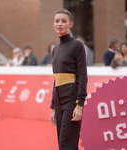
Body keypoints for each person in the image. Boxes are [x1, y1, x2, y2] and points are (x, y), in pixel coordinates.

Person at [50, 9, 87, 150]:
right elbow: (56, 78)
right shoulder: (55, 49)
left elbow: (83, 75)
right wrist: (53, 106)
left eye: (64, 21)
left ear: (70, 24)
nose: (60, 24)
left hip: (72, 98)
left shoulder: (77, 45)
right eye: (57, 21)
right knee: (62, 144)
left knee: (67, 145)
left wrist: (80, 105)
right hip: (59, 99)